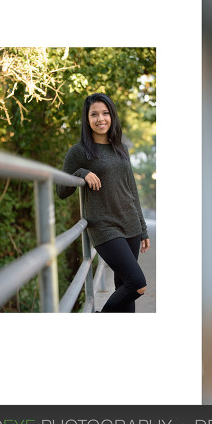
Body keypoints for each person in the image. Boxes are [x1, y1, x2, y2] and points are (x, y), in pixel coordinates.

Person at [57, 92, 150, 313]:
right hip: (104, 227)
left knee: (125, 289)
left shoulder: (121, 148)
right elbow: (61, 191)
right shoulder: (79, 152)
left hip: (130, 224)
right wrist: (81, 173)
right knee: (137, 284)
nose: (101, 119)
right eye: (94, 114)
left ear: (112, 116)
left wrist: (143, 228)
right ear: (87, 119)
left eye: (106, 113)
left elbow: (131, 189)